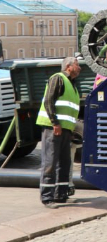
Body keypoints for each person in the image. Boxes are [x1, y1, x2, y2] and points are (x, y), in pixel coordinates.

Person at [36, 57, 82, 207]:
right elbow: (48, 101)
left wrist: (72, 129)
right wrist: (55, 123)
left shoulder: (72, 84)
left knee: (64, 162)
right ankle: (47, 197)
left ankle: (60, 194)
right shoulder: (58, 78)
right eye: (77, 65)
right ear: (69, 67)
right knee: (50, 161)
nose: (79, 67)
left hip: (66, 130)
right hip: (53, 128)